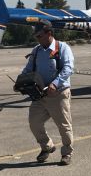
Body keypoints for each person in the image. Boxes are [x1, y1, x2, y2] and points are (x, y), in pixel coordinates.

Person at [16, 19, 75, 166]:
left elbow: (68, 68)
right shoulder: (36, 51)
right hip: (40, 95)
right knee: (34, 122)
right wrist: (20, 83)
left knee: (64, 126)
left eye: (39, 36)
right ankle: (47, 146)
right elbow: (28, 69)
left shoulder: (62, 48)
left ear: (49, 33)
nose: (37, 39)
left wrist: (55, 84)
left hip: (58, 93)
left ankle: (67, 153)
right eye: (36, 36)